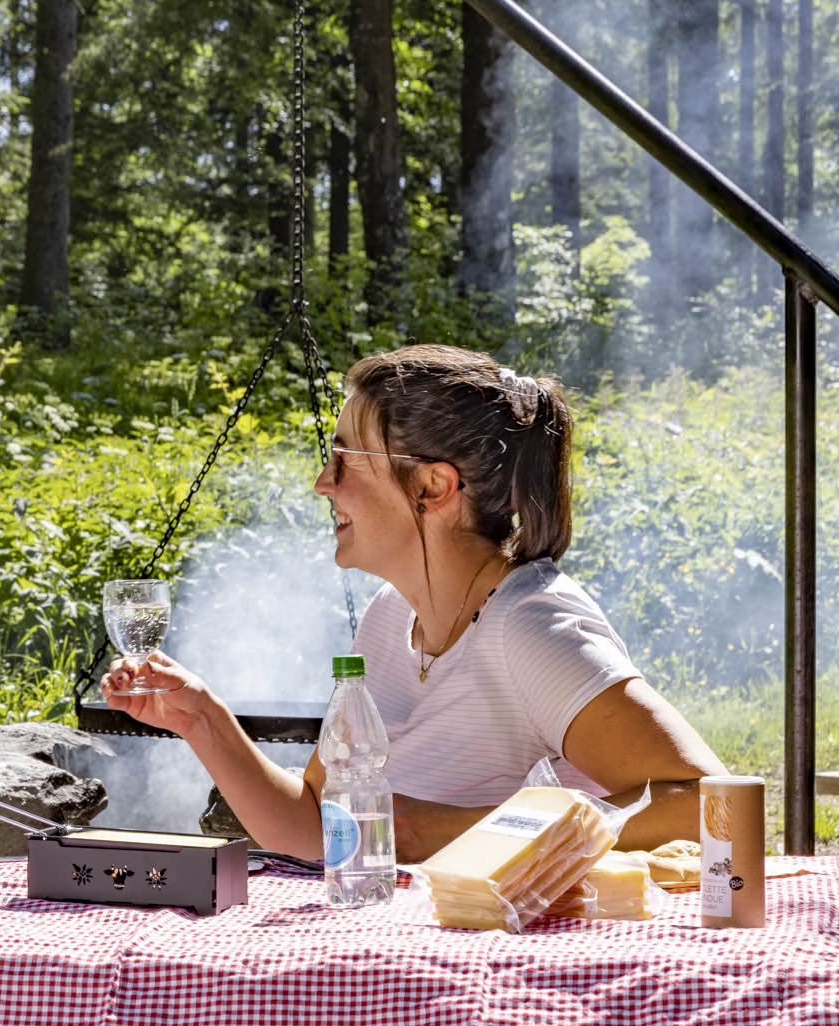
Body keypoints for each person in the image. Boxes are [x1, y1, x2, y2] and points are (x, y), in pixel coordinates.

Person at [102, 344, 723, 864]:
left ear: (432, 485)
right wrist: (201, 718)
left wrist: (447, 831)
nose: (323, 483)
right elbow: (316, 826)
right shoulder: (390, 616)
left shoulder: (531, 626)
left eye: (346, 460)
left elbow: (713, 804)